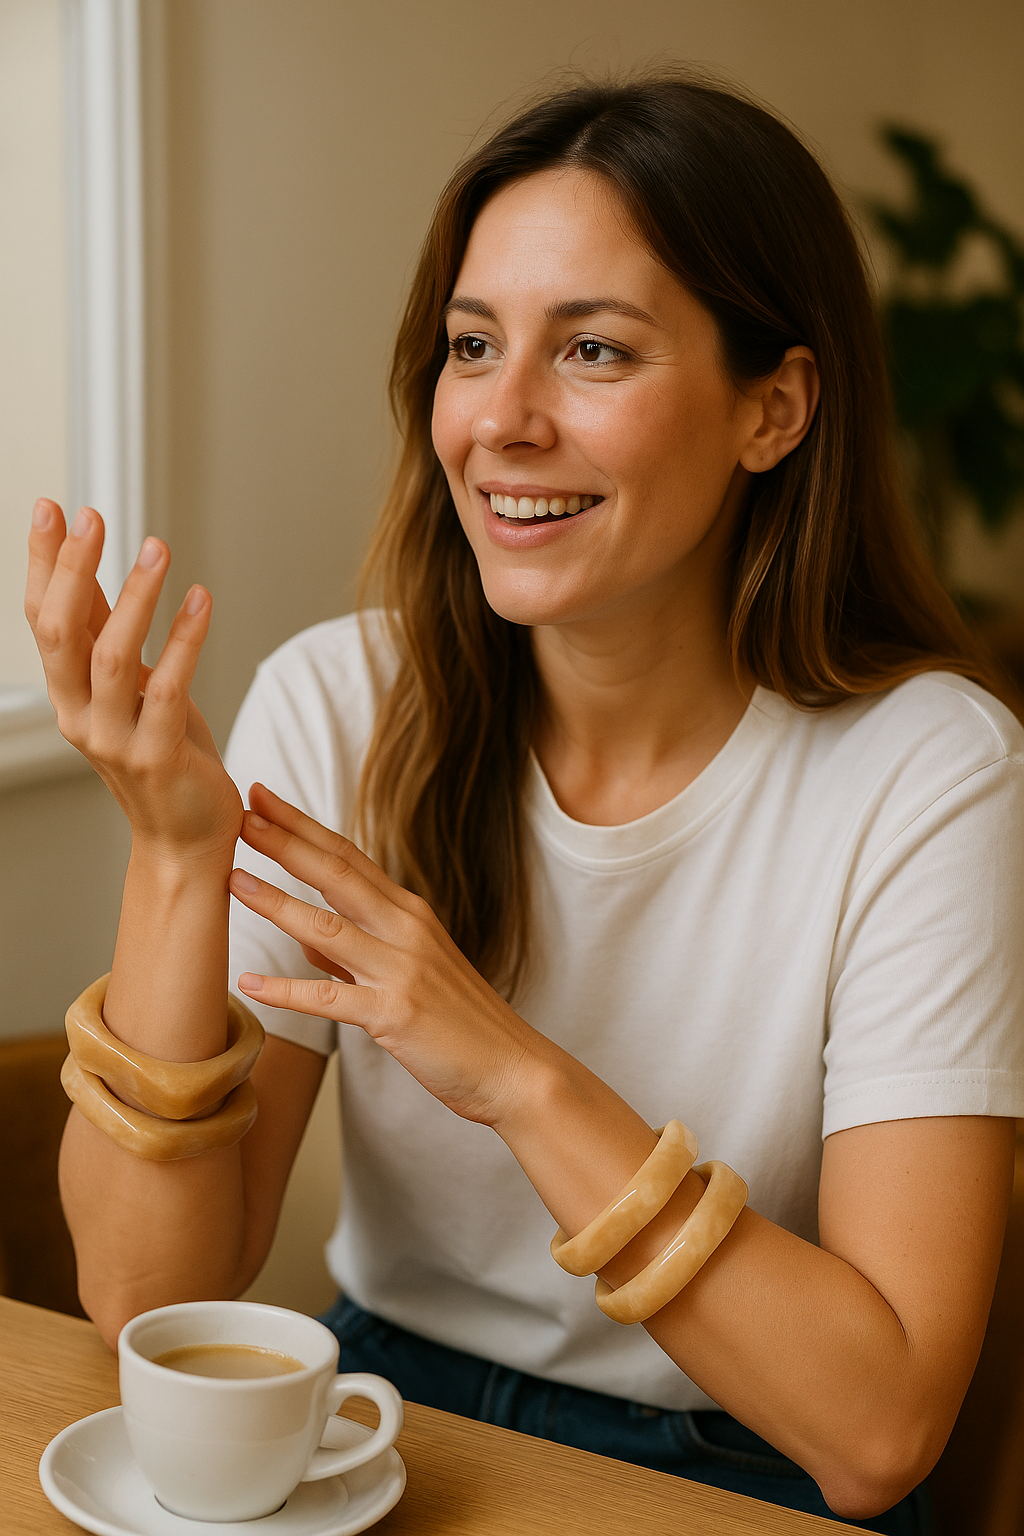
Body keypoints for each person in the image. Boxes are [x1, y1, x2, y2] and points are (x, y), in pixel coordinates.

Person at [25, 73, 1024, 1533]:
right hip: (380, 1421)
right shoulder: (338, 701)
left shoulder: (929, 770)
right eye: (473, 345)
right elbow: (143, 1300)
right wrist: (178, 858)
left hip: (748, 1464)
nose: (500, 420)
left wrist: (510, 1068)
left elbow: (876, 1436)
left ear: (777, 408)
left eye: (595, 352)